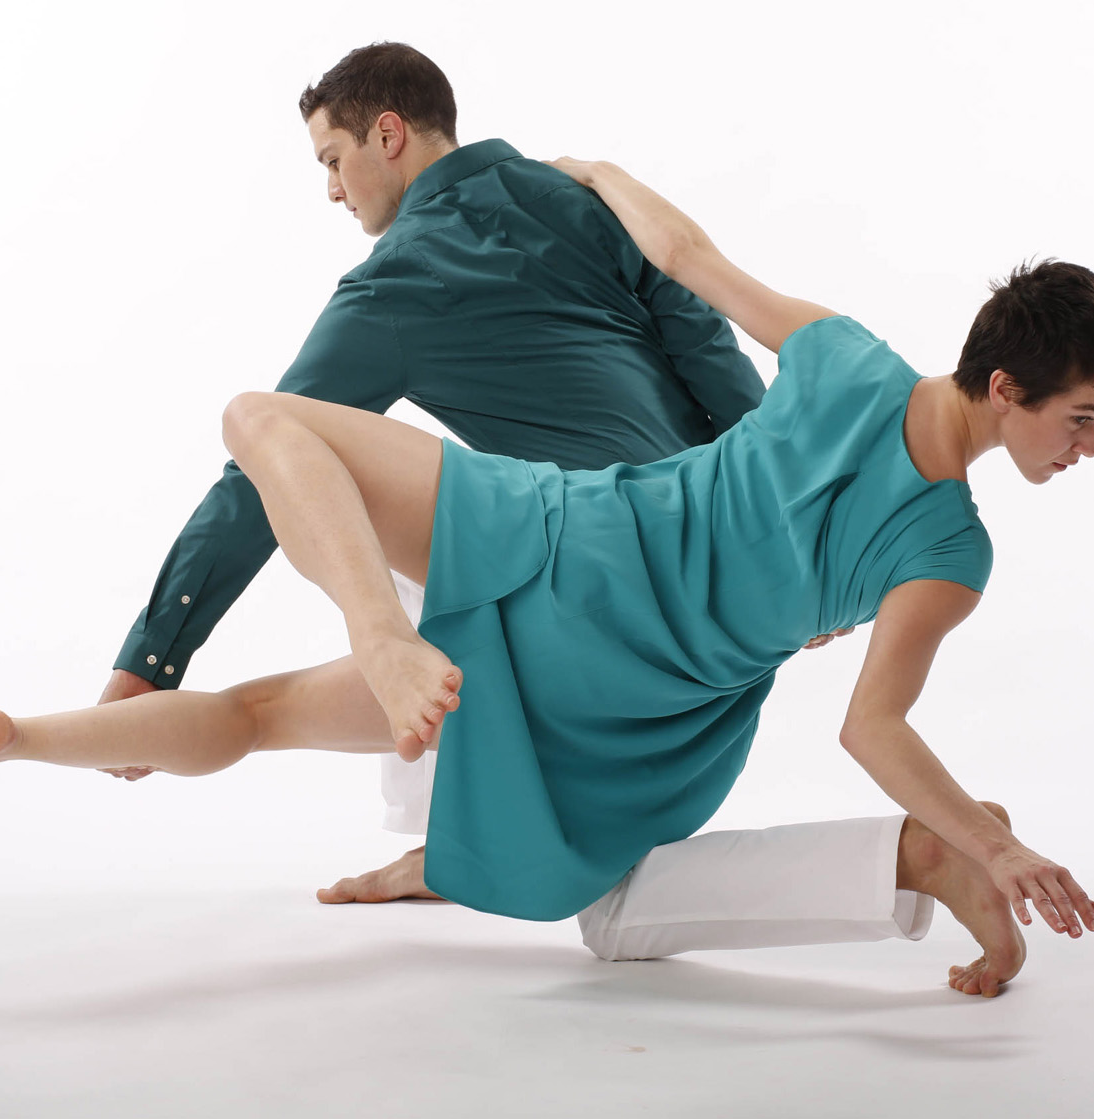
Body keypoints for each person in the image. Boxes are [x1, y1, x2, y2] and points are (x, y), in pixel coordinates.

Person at [0, 162, 1094, 997]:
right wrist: (988, 836)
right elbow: (873, 721)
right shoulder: (948, 553)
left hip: (559, 537)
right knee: (580, 884)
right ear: (1005, 385)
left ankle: (13, 733)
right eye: (1082, 416)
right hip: (636, 708)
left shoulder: (851, 360)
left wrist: (598, 178)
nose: (1085, 448)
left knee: (263, 426)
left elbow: (691, 259)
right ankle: (13, 732)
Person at [83, 38, 932, 967]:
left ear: (389, 134)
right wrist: (792, 535)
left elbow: (263, 476)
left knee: (601, 897)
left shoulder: (392, 285)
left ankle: (468, 848)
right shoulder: (587, 201)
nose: (332, 190)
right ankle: (457, 835)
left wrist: (151, 660)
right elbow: (712, 356)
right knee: (434, 537)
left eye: (333, 160)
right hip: (724, 590)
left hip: (605, 607)